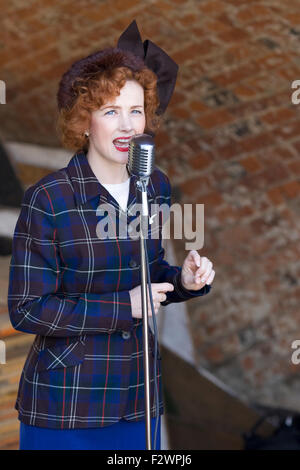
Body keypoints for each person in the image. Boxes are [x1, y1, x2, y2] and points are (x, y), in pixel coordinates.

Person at [7, 20, 215, 450]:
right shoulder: (49, 198)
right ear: (85, 122)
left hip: (139, 393)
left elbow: (147, 268)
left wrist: (183, 282)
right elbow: (28, 310)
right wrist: (126, 306)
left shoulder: (153, 185)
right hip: (67, 402)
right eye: (110, 111)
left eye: (135, 111)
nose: (126, 126)